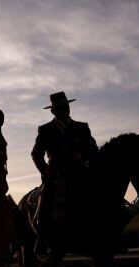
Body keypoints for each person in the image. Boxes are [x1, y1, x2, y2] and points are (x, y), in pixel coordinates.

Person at [31, 91, 98, 254]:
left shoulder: (82, 127)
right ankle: (41, 236)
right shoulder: (45, 130)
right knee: (46, 197)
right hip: (56, 174)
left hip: (80, 171)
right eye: (59, 108)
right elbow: (36, 154)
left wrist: (86, 160)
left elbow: (93, 150)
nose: (64, 110)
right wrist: (45, 171)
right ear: (53, 111)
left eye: (65, 107)